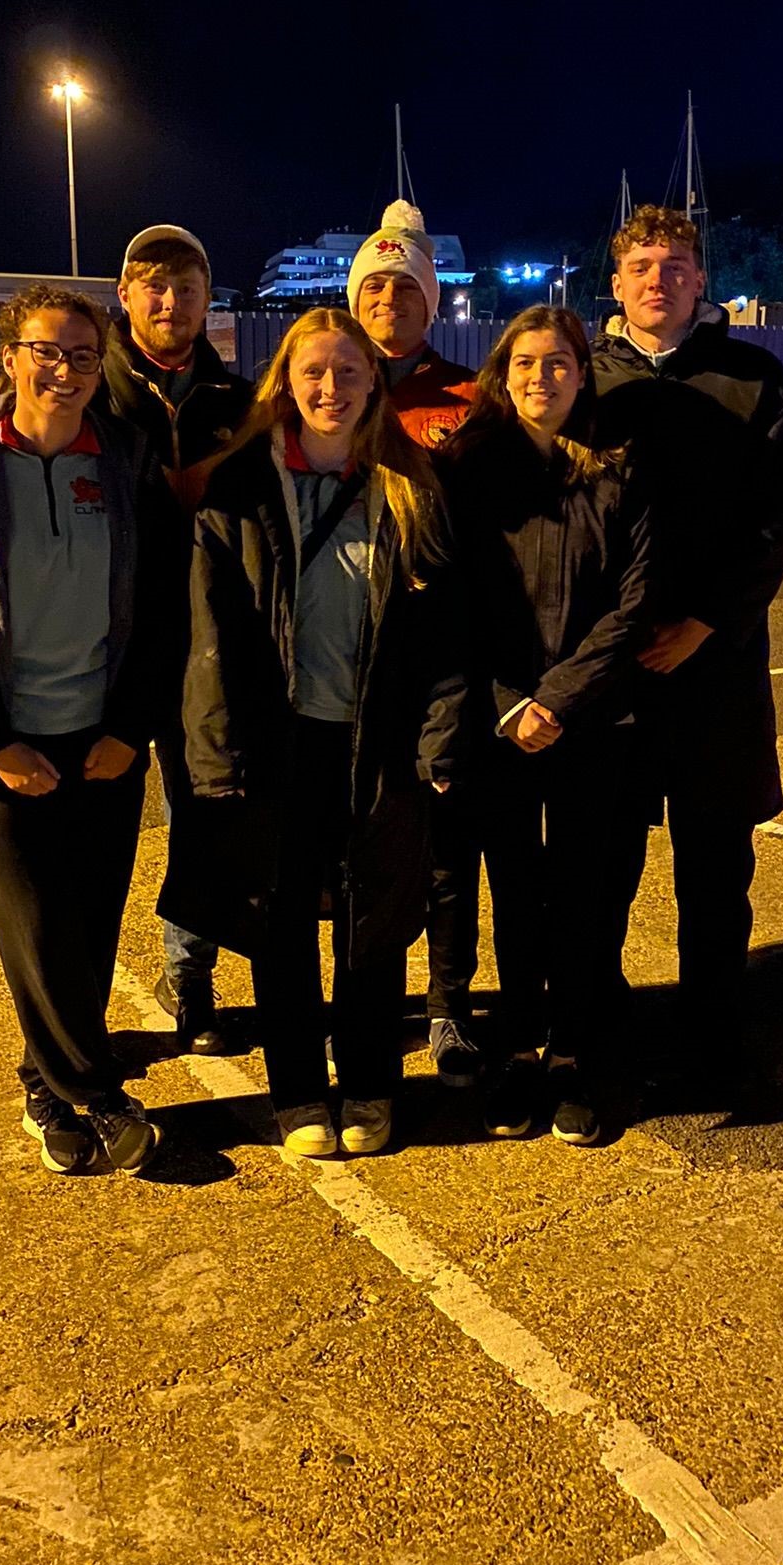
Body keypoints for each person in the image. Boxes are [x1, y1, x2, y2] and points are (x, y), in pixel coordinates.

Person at [160, 308, 460, 1159]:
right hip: (280, 742)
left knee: (375, 921)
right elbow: (206, 632)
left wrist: (439, 738)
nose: (332, 389)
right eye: (314, 373)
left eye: (349, 372)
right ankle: (297, 1093)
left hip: (379, 743)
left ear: (375, 381)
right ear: (285, 381)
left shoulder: (408, 484)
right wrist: (212, 753)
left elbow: (446, 634)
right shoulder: (242, 488)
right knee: (281, 921)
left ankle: (369, 1084)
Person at [0, 282, 177, 1177]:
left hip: (102, 740)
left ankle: (44, 1087)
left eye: (84, 356)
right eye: (47, 352)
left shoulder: (129, 461)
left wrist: (131, 728)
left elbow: (166, 609)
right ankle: (97, 1094)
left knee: (91, 926)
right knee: (37, 926)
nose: (65, 370)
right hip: (2, 748)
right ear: (9, 356)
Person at [590, 205, 783, 1103]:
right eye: (641, 265)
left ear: (701, 281)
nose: (658, 280)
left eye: (676, 265)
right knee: (599, 874)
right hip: (610, 677)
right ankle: (597, 1041)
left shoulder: (754, 377)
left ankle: (716, 1039)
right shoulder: (581, 377)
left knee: (716, 876)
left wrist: (707, 623)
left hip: (715, 673)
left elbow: (776, 521)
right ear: (615, 283)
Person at [443, 306, 655, 1145]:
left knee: (582, 895)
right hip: (501, 724)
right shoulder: (467, 468)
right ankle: (517, 1053)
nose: (542, 377)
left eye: (559, 362)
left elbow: (637, 603)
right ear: (503, 373)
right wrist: (508, 703)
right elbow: (452, 601)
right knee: (513, 897)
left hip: (592, 724)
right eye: (526, 362)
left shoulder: (620, 469)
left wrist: (560, 699)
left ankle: (571, 1054)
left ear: (582, 372)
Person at [102, 224, 254, 1056]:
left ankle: (187, 973)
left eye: (186, 286)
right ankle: (77, 1000)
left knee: (202, 815)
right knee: (97, 828)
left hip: (209, 650)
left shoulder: (237, 403)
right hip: (114, 652)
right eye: (153, 284)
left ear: (207, 299)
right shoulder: (95, 392)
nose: (170, 300)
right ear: (124, 296)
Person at [348, 200, 482, 1088]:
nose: (390, 297)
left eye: (405, 285)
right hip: (350, 664)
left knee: (446, 848)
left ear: (431, 301)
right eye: (375, 284)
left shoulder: (470, 398)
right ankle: (367, 1006)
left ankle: (448, 1007)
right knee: (359, 854)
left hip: (445, 661)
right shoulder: (324, 383)